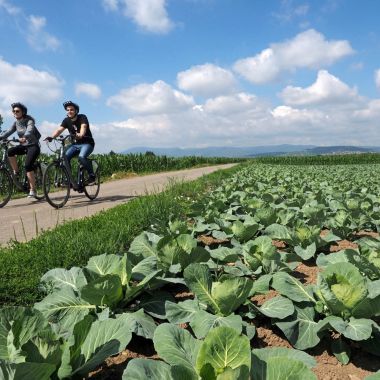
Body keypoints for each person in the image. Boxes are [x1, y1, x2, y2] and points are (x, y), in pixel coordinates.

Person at [46, 101, 96, 184]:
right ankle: (70, 179)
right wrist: (51, 137)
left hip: (87, 143)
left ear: (76, 111)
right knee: (65, 157)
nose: (69, 111)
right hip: (75, 144)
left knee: (82, 157)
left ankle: (92, 175)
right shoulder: (66, 120)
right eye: (67, 110)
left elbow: (84, 126)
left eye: (71, 110)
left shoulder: (82, 117)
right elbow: (59, 130)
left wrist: (81, 134)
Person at [0, 103, 41, 198]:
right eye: (13, 111)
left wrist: (25, 137)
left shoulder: (29, 121)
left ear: (23, 112)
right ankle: (16, 172)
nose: (15, 112)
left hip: (33, 146)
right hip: (24, 146)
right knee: (10, 151)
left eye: (17, 111)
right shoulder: (16, 123)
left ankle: (33, 190)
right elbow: (8, 132)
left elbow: (29, 130)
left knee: (27, 165)